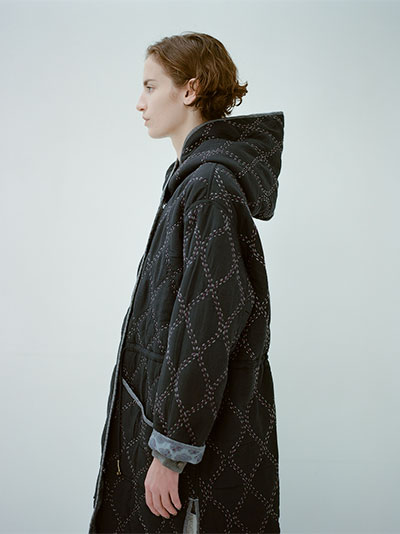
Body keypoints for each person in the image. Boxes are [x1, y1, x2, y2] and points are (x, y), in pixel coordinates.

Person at [88, 31, 284, 534]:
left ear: (190, 89)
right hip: (166, 427)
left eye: (150, 86)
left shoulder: (210, 186)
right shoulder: (191, 180)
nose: (140, 103)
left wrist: (171, 453)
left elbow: (207, 328)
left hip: (194, 452)